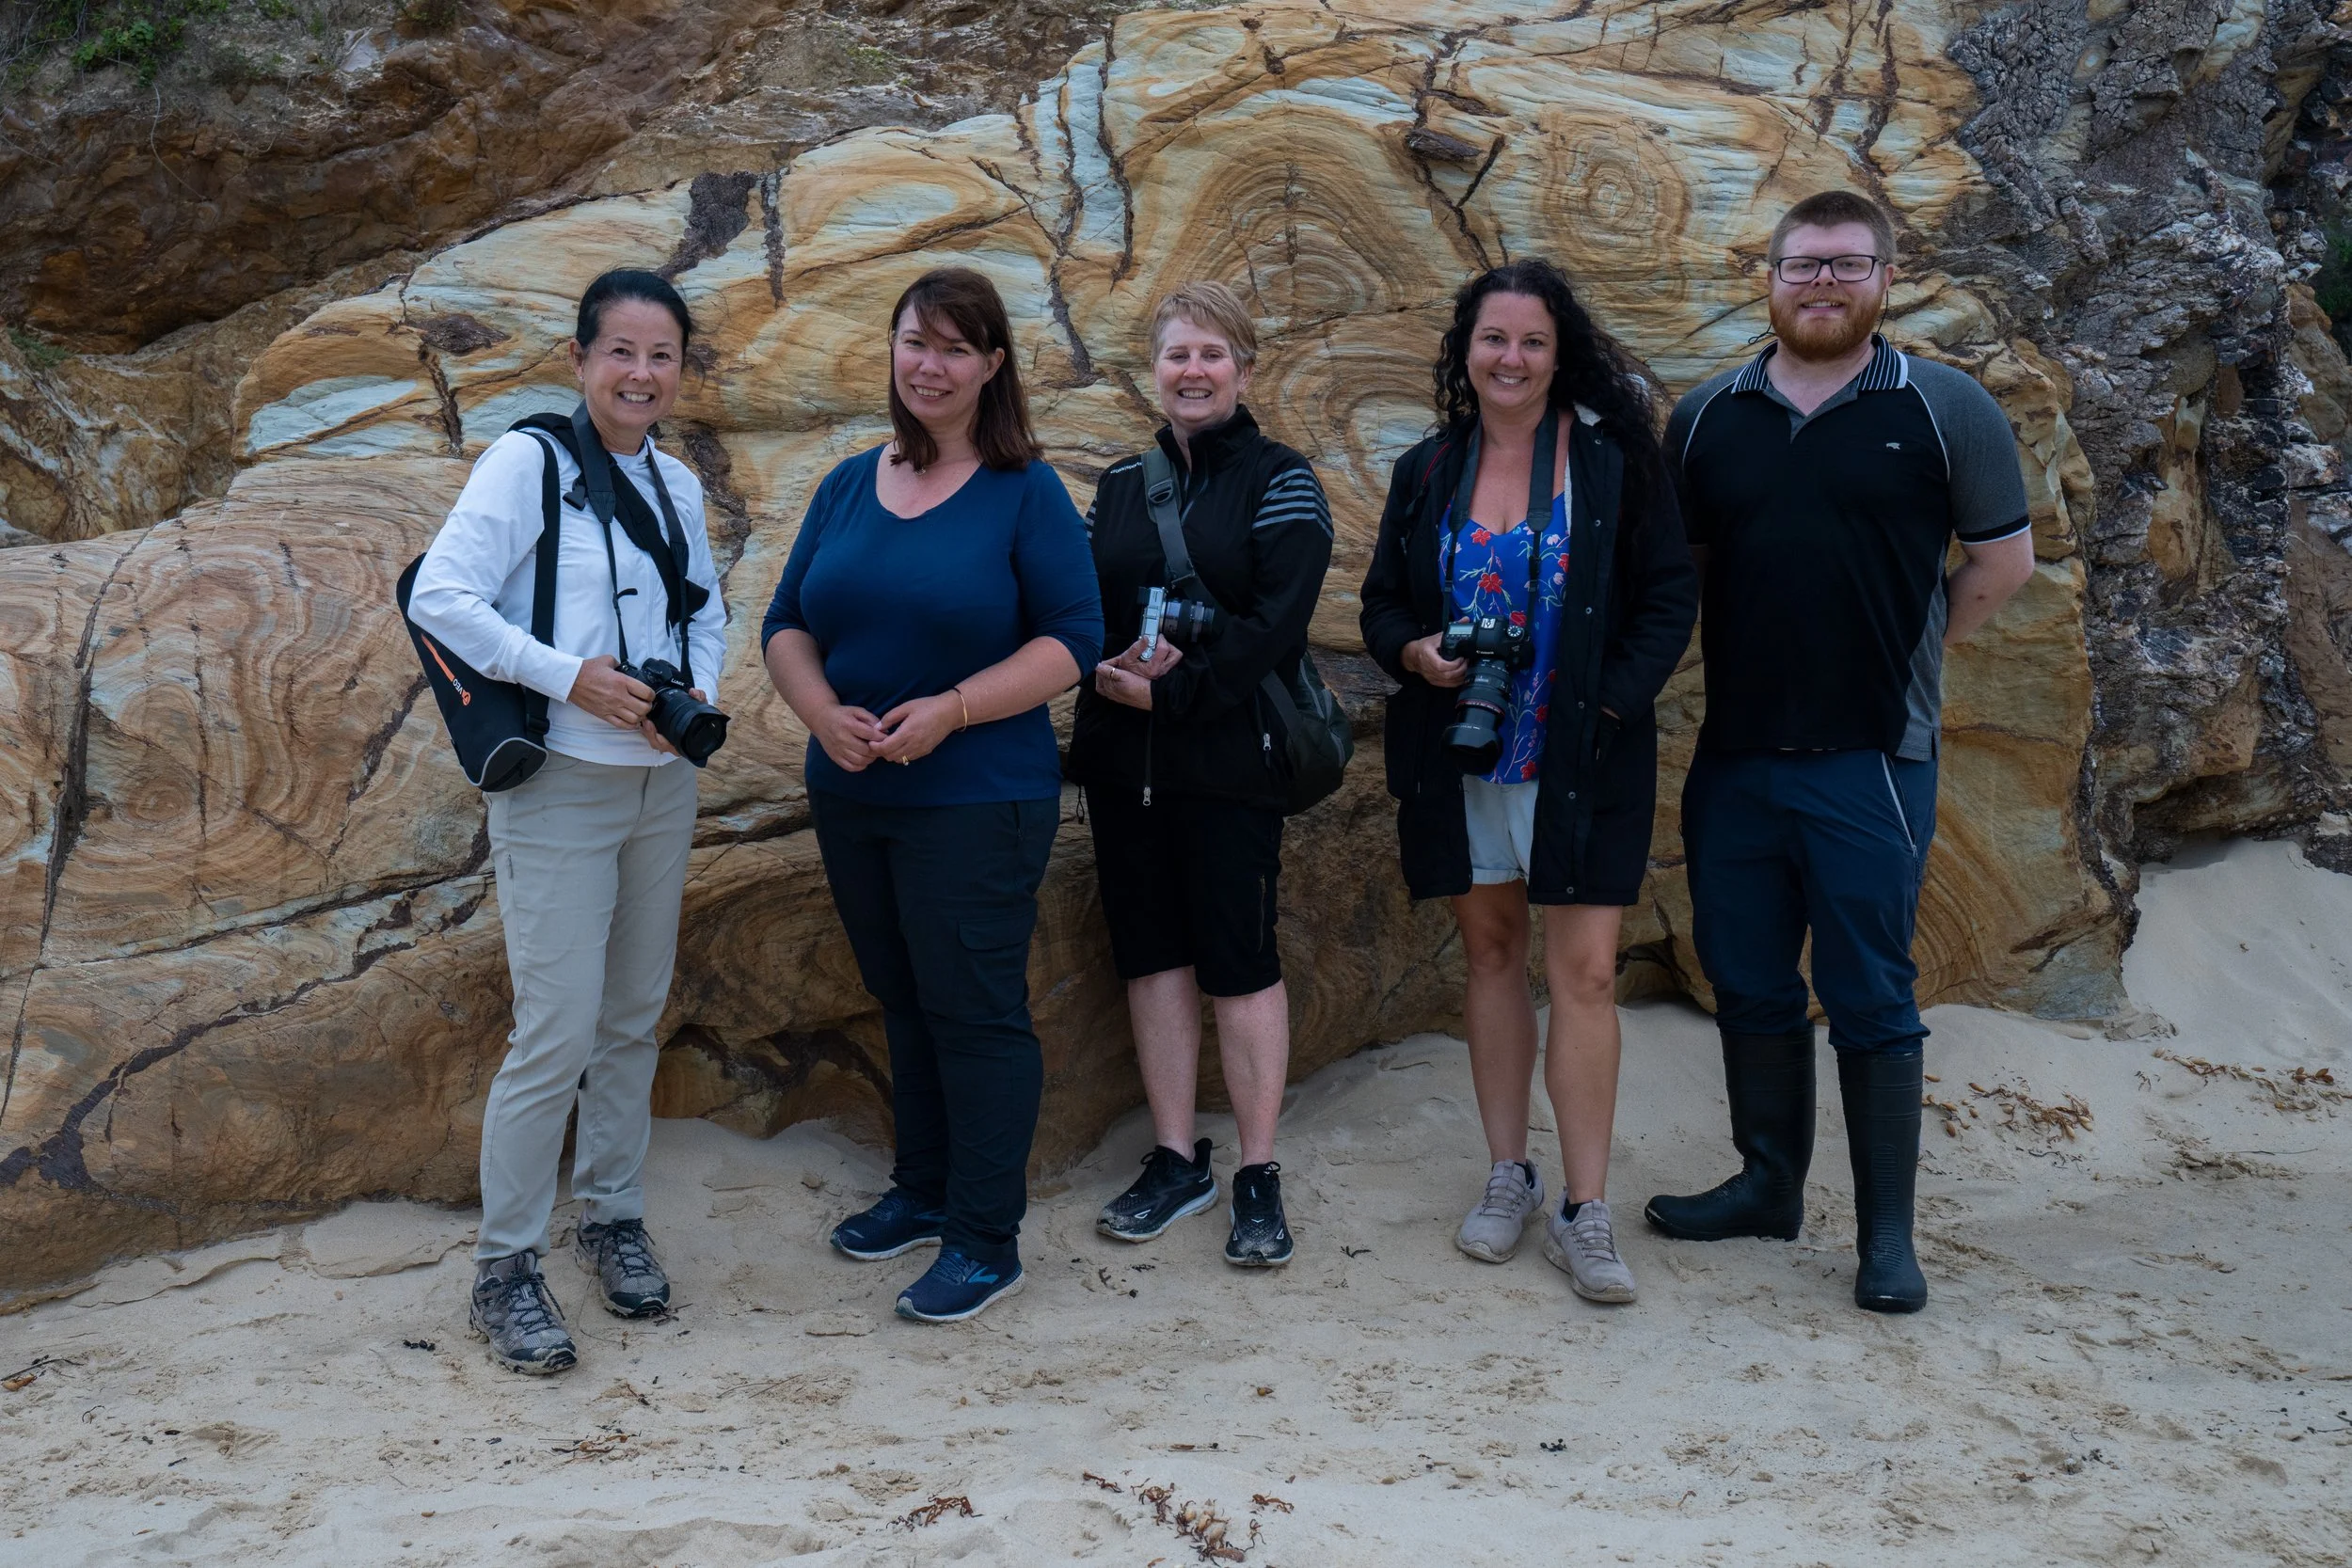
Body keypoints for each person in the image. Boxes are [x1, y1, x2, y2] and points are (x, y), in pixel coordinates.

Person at [1645, 190, 2037, 1314]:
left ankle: (1883, 1237)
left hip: (1872, 755)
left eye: (1846, 264)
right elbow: (1691, 575)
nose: (1821, 282)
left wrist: (1915, 645)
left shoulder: (1944, 405)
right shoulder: (1709, 414)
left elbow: (1999, 565)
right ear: (1766, 276)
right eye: (1801, 264)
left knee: (1871, 992)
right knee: (1751, 979)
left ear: (1884, 278)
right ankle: (1768, 1186)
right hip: (1736, 755)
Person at [761, 266, 1102, 1324]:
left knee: (975, 1011)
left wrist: (953, 708)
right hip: (854, 789)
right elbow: (785, 623)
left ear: (992, 365)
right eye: (916, 341)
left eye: (956, 347)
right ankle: (922, 1188)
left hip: (976, 796)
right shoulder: (847, 482)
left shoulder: (1023, 489)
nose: (930, 363)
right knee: (902, 999)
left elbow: (1073, 642)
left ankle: (984, 1237)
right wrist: (820, 711)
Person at [408, 269, 728, 1374]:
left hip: (656, 783)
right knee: (553, 1031)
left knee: (633, 1014)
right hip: (557, 787)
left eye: (662, 356)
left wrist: (685, 707)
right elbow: (439, 595)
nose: (642, 374)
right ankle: (505, 1267)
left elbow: (706, 609)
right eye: (622, 352)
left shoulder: (678, 485)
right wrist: (567, 678)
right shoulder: (526, 463)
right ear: (581, 358)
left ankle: (611, 1215)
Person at [1359, 260, 1697, 1306]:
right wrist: (1415, 656)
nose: (1511, 358)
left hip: (1582, 760)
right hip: (1461, 757)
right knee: (1492, 952)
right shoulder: (1426, 470)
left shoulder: (1612, 464)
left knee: (1587, 970)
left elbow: (1669, 595)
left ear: (1560, 354)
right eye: (1493, 338)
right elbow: (1378, 607)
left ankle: (1584, 1208)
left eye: (1531, 341)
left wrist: (1601, 705)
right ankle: (1508, 1172)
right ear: (1465, 350)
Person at [1065, 282, 1334, 1267]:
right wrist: (1106, 670)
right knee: (1151, 956)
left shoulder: (1282, 477)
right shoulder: (1122, 486)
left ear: (1244, 369)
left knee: (1240, 960)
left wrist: (1175, 694)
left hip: (1228, 759)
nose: (1193, 370)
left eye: (1212, 354)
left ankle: (1256, 1171)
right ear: (1154, 367)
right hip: (1124, 760)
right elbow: (1087, 602)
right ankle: (1176, 1156)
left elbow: (1276, 626)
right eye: (1177, 353)